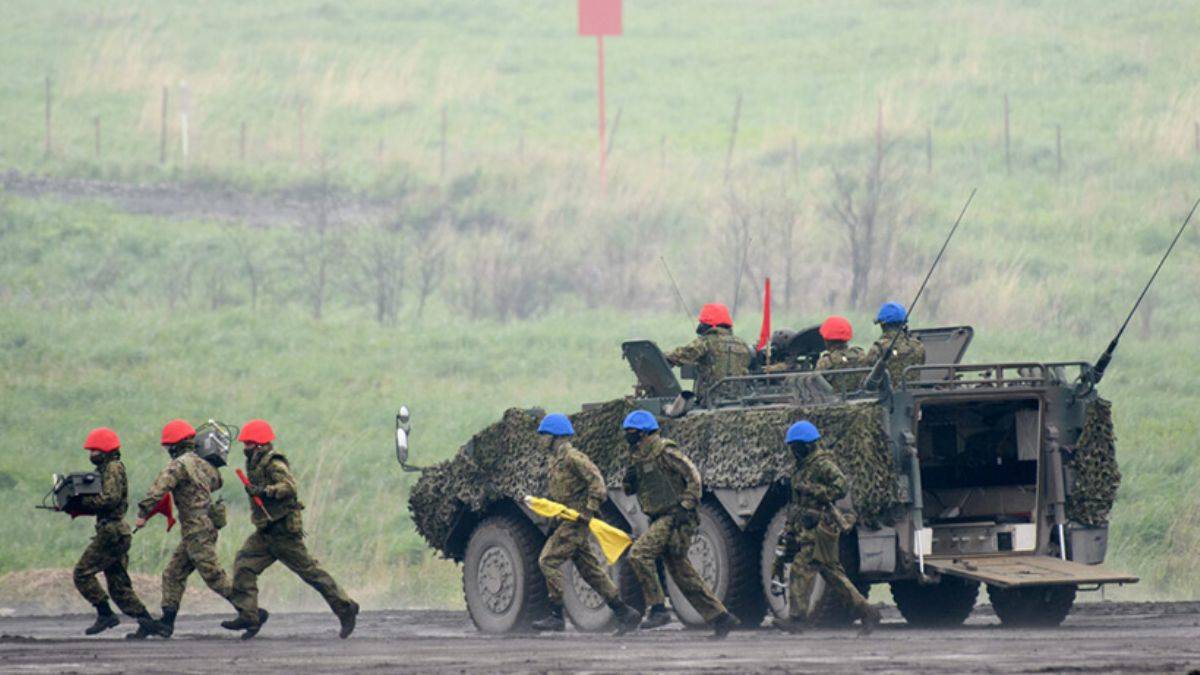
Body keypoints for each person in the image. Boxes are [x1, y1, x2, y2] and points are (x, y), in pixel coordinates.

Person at [226, 419, 359, 639]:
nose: (245, 448)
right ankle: (250, 615)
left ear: (258, 445)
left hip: (282, 532)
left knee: (311, 572)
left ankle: (345, 608)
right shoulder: (256, 463)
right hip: (265, 532)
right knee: (243, 566)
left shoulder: (273, 463)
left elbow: (289, 487)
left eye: (248, 444)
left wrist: (266, 491)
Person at [620, 411, 739, 639]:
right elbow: (630, 489)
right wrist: (630, 477)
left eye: (632, 433)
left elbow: (693, 475)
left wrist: (687, 504)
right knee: (682, 573)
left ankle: (657, 609)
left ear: (644, 433)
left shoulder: (664, 451)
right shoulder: (637, 456)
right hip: (659, 517)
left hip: (674, 516)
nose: (628, 437)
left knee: (638, 554)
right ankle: (721, 618)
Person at [529, 414, 641, 634]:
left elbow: (597, 483)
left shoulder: (573, 458)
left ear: (556, 436)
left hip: (577, 521)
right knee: (592, 572)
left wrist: (589, 511)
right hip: (567, 519)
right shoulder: (555, 460)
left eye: (544, 434)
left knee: (547, 560)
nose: (540, 439)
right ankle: (625, 613)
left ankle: (556, 615)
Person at [133, 419, 239, 639]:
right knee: (173, 573)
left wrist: (143, 513)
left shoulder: (179, 465)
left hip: (197, 530)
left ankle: (251, 610)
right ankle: (166, 623)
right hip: (203, 528)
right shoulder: (204, 464)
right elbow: (217, 481)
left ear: (175, 445)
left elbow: (159, 489)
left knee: (212, 575)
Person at [771, 421, 879, 635]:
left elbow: (840, 486)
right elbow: (797, 502)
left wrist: (814, 490)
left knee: (801, 569)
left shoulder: (822, 464)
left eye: (796, 446)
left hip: (820, 528)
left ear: (808, 445)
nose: (793, 450)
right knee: (834, 575)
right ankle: (867, 612)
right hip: (806, 527)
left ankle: (797, 619)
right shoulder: (802, 467)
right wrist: (789, 529)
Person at [71, 427, 164, 637]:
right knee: (118, 585)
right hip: (116, 531)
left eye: (94, 451)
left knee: (82, 573)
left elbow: (110, 499)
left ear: (104, 451)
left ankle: (105, 614)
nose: (91, 455)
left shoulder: (112, 468)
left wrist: (82, 502)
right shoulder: (109, 468)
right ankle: (147, 622)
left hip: (111, 532)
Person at [664, 303, 752, 399]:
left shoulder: (706, 342)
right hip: (738, 399)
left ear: (706, 324)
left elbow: (681, 356)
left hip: (709, 399)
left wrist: (662, 356)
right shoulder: (743, 345)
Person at [865, 302, 925, 384]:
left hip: (886, 395)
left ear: (883, 325)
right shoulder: (918, 345)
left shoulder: (878, 348)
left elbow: (868, 372)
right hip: (913, 394)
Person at [814, 316, 867, 392]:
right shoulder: (860, 354)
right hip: (862, 399)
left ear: (827, 340)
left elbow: (816, 386)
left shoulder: (826, 362)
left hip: (834, 402)